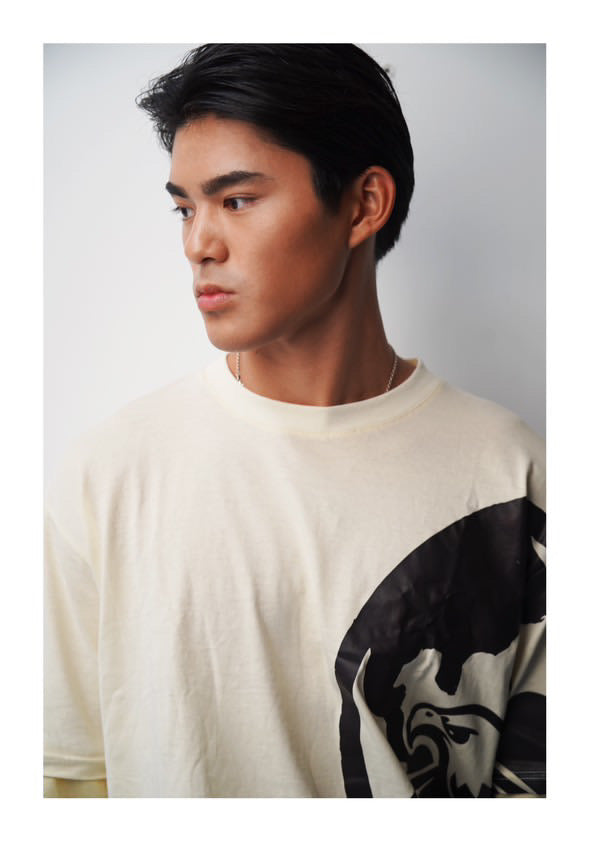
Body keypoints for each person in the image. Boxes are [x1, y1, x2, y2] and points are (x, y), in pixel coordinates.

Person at [43, 43, 545, 798]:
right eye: (185, 207)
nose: (198, 243)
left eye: (237, 200)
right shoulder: (110, 474)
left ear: (364, 204)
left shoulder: (513, 477)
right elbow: (66, 781)